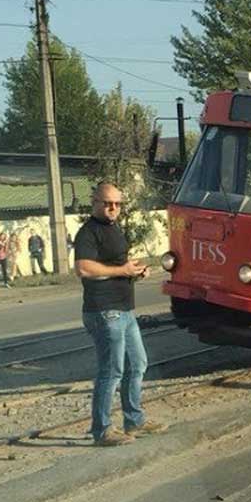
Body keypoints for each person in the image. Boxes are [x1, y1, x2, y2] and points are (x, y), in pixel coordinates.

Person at [75, 182, 166, 446]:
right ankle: (102, 431)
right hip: (105, 312)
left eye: (117, 203)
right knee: (111, 372)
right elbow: (83, 268)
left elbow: (115, 266)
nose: (113, 208)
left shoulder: (113, 228)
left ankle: (134, 420)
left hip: (124, 309)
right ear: (95, 203)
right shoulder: (88, 232)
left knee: (138, 364)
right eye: (107, 203)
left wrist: (135, 271)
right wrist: (123, 271)